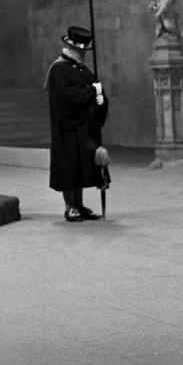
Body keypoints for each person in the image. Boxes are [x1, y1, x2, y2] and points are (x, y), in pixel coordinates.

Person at [45, 24, 109, 222]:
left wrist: (102, 100)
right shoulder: (58, 70)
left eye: (85, 50)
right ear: (70, 48)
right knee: (69, 168)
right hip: (68, 129)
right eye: (81, 50)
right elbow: (68, 98)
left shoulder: (81, 68)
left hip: (83, 128)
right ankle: (70, 206)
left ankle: (79, 205)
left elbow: (93, 90)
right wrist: (92, 92)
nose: (84, 54)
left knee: (80, 168)